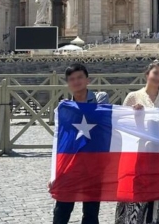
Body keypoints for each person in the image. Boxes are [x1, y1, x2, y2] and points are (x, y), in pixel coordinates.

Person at [115, 60, 159, 224]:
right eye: (155, 73)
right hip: (137, 153)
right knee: (135, 197)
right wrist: (134, 115)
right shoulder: (133, 97)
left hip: (158, 154)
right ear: (147, 74)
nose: (158, 77)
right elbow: (122, 124)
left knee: (156, 197)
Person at [50, 63, 108, 224]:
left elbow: (110, 118)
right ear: (68, 84)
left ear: (87, 80)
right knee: (62, 210)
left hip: (94, 162)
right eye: (72, 79)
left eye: (80, 77)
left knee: (91, 213)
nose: (76, 82)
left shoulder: (101, 98)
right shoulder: (64, 108)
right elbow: (58, 141)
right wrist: (53, 173)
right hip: (71, 163)